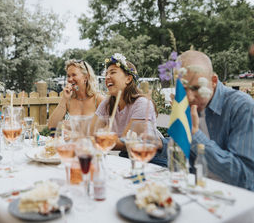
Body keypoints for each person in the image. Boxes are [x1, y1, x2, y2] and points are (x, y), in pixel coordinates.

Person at [162, 50, 254, 191]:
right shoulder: (186, 103)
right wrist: (158, 144)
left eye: (196, 88)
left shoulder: (241, 106)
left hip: (233, 196)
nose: (190, 97)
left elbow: (244, 177)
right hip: (196, 187)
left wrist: (195, 135)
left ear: (213, 81)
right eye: (184, 88)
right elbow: (182, 145)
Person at [94, 53, 162, 152]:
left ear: (128, 79)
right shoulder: (107, 104)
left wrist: (91, 141)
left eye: (112, 72)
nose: (107, 77)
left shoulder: (142, 104)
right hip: (125, 158)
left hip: (151, 160)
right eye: (106, 74)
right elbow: (91, 132)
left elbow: (125, 143)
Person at [48, 59, 104, 129]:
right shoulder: (68, 100)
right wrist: (64, 99)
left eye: (74, 75)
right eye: (68, 76)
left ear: (86, 77)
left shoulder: (98, 100)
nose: (70, 79)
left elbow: (106, 128)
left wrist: (73, 127)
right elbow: (51, 126)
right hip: (70, 140)